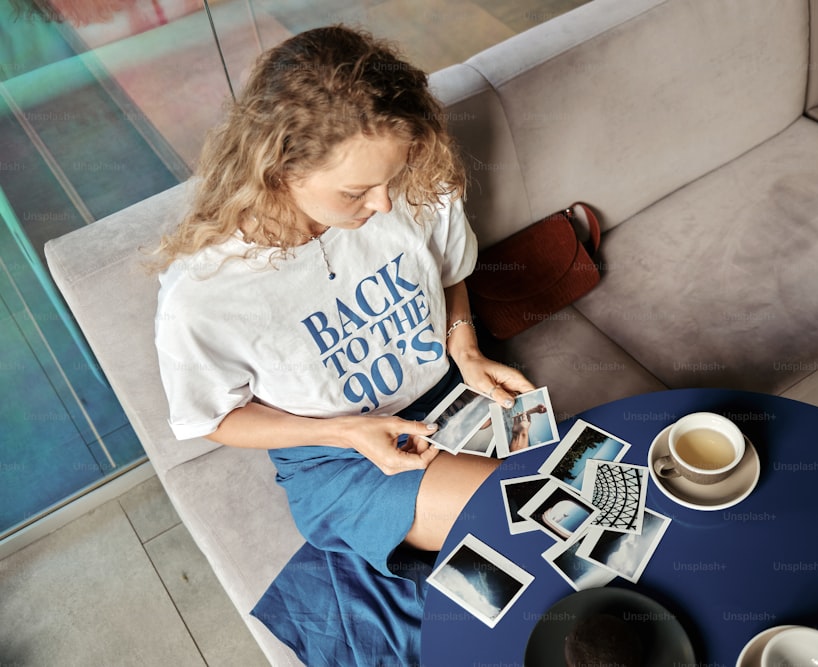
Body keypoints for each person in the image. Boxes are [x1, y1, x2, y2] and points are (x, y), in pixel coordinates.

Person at [152, 25, 533, 666]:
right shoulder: (205, 294)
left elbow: (448, 273)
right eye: (355, 193)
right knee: (526, 522)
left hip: (448, 397)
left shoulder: (409, 185)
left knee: (578, 510)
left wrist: (465, 352)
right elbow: (215, 418)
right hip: (338, 458)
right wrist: (350, 432)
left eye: (393, 177)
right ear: (278, 167)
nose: (385, 205)